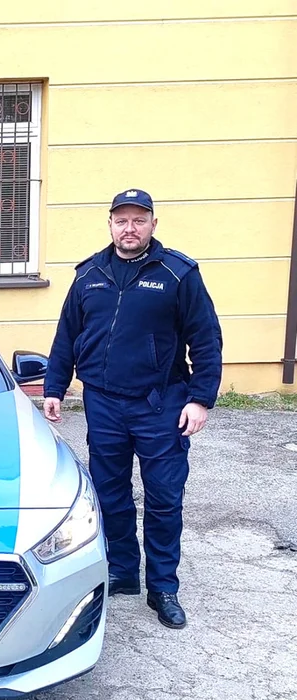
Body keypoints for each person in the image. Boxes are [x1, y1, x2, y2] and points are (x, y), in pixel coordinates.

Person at [42, 188, 222, 629]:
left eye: (138, 220)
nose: (129, 228)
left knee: (163, 496)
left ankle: (163, 587)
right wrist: (54, 385)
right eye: (121, 220)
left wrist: (200, 399)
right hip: (103, 402)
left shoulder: (178, 274)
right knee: (110, 493)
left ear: (153, 225)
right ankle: (123, 570)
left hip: (160, 404)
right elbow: (67, 335)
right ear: (110, 224)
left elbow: (206, 339)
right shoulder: (90, 274)